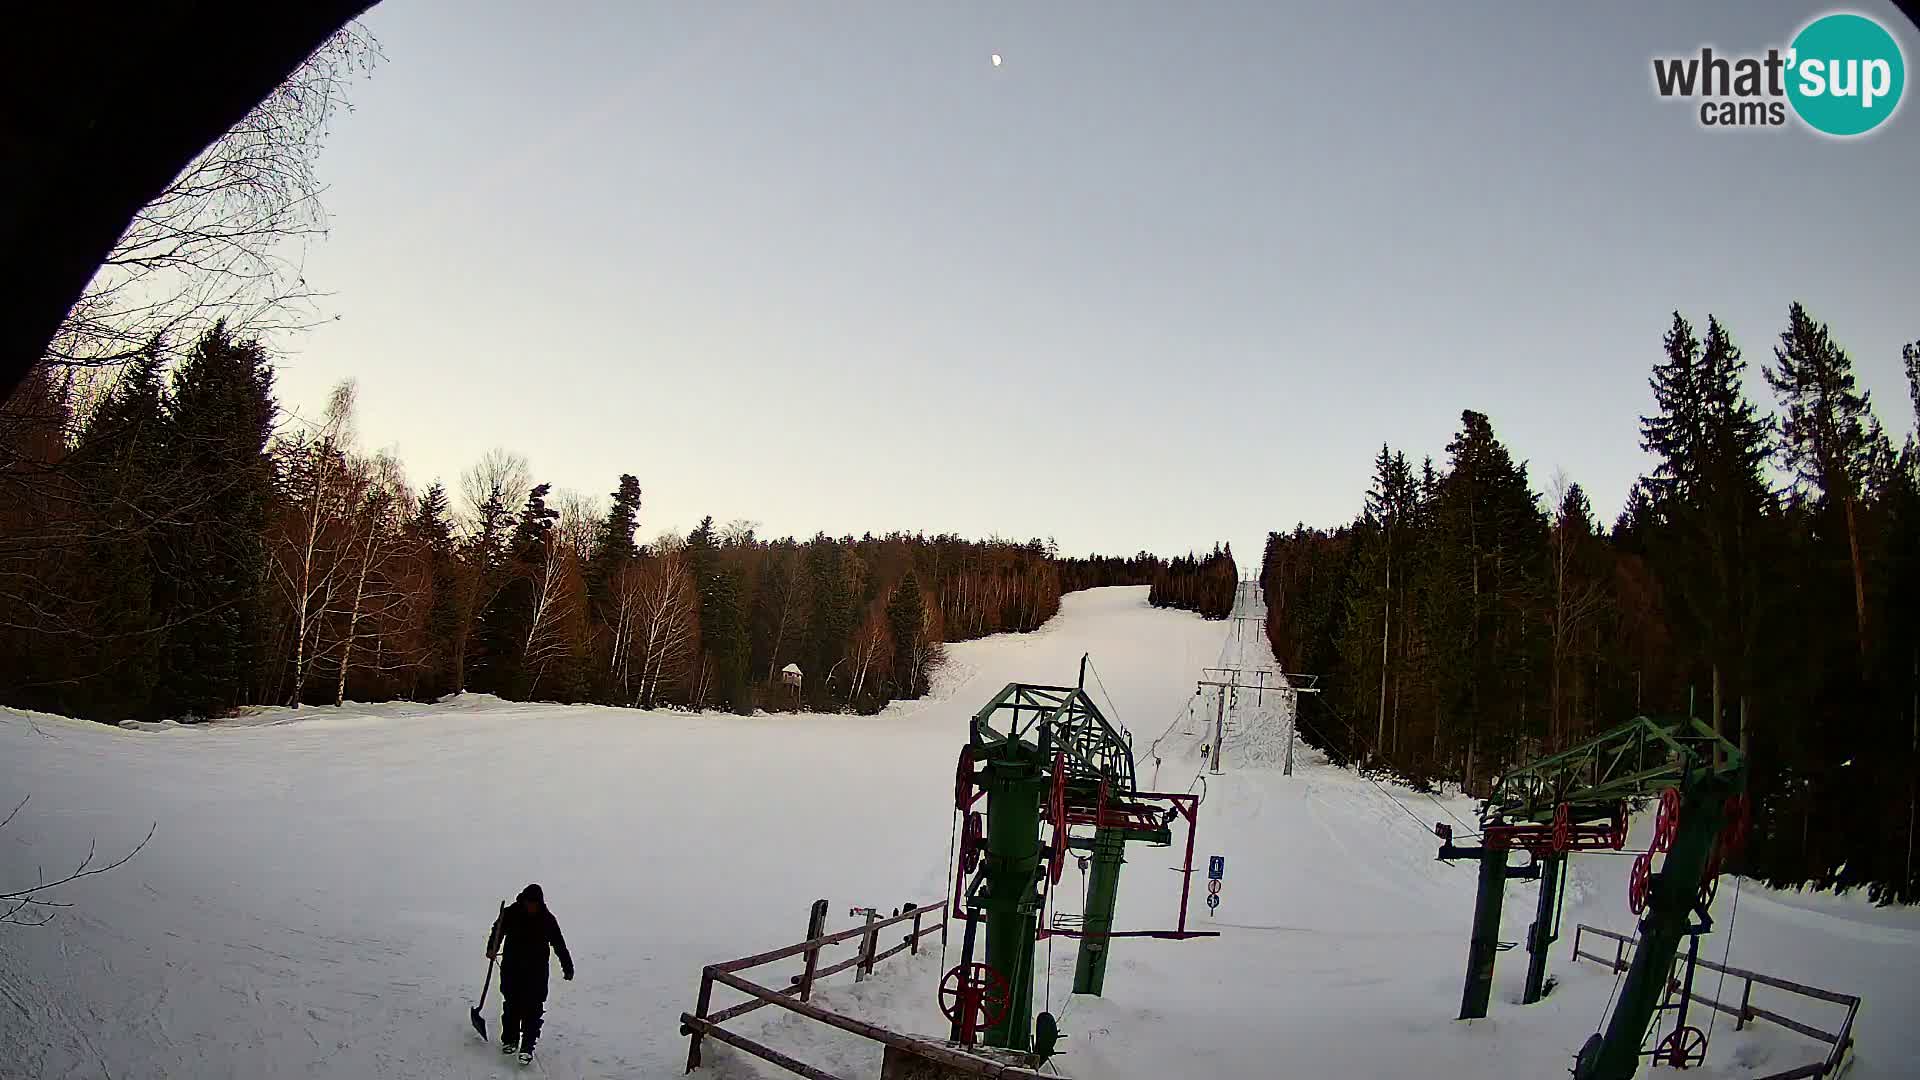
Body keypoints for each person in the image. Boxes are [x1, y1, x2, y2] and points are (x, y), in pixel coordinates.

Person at [486, 883, 574, 1062]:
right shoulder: (510, 913)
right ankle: (510, 1040)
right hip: (512, 967)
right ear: (524, 900)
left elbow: (559, 943)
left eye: (535, 904)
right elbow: (498, 930)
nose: (532, 907)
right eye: (529, 903)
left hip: (537, 970)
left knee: (533, 1008)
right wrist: (491, 948)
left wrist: (567, 966)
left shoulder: (547, 919)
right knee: (512, 1004)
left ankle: (527, 1045)